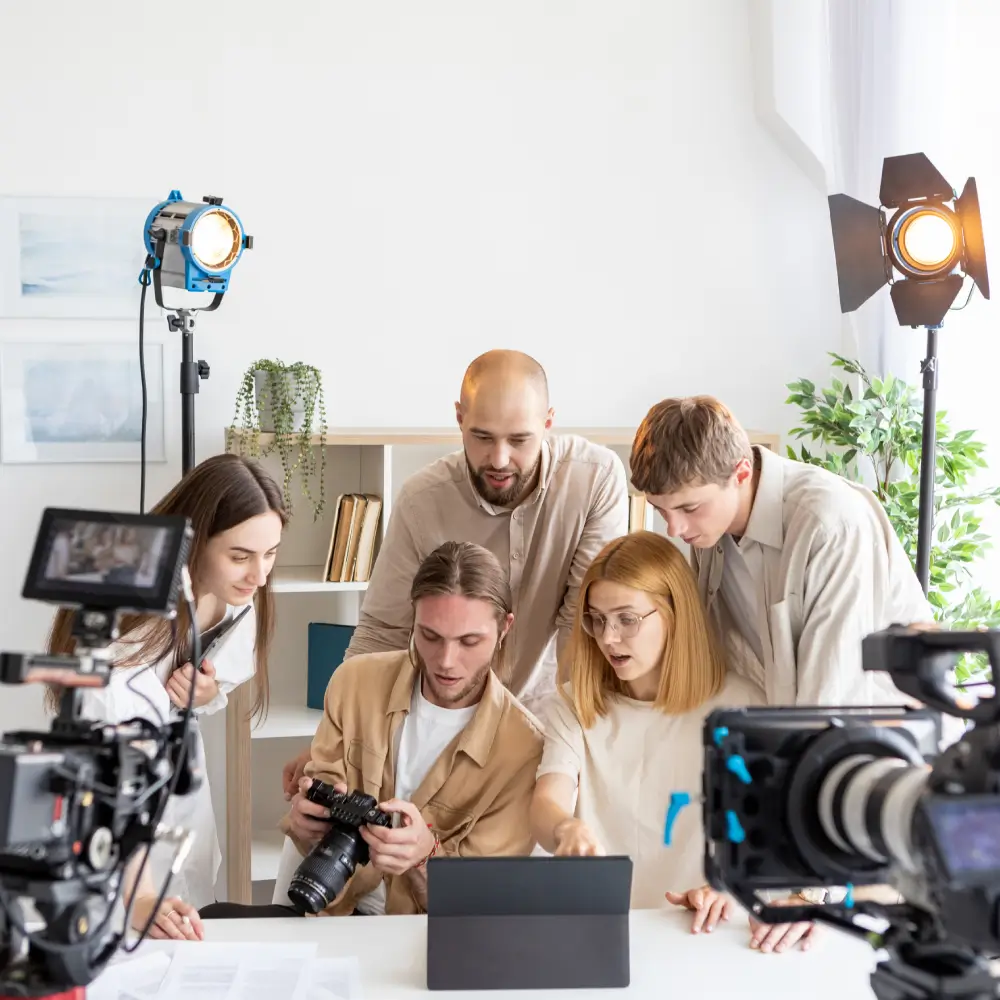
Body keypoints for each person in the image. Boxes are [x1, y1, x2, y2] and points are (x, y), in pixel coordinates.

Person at [282, 349, 628, 795]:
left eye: (519, 440)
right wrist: (330, 745)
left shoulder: (595, 479)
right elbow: (380, 632)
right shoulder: (422, 499)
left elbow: (580, 632)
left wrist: (572, 752)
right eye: (482, 437)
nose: (499, 459)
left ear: (548, 423)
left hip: (546, 715)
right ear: (459, 418)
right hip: (445, 721)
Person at [202, 541, 543, 921]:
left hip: (426, 938)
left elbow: (483, 912)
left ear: (504, 628)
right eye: (429, 635)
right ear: (412, 618)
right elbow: (319, 805)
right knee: (208, 923)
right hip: (334, 915)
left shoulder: (523, 748)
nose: (446, 661)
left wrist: (425, 857)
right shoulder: (355, 683)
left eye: (469, 641)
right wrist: (306, 823)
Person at [528, 531, 815, 953]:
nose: (608, 637)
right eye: (597, 619)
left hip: (707, 938)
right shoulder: (575, 703)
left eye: (627, 619)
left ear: (674, 613)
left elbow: (769, 834)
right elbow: (545, 803)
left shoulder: (740, 706)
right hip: (599, 937)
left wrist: (730, 887)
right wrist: (564, 827)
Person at [45, 453, 287, 940]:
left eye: (271, 553)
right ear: (191, 541)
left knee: (184, 923)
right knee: (117, 936)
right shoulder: (125, 626)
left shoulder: (243, 595)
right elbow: (109, 773)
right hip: (111, 809)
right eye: (240, 556)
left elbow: (228, 676)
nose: (259, 576)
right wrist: (142, 896)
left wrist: (206, 690)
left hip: (177, 788)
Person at [629, 395, 931, 708]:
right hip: (797, 730)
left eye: (688, 507)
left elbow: (833, 697)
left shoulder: (830, 524)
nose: (674, 529)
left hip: (882, 738)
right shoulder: (709, 531)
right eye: (661, 510)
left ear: (741, 473)